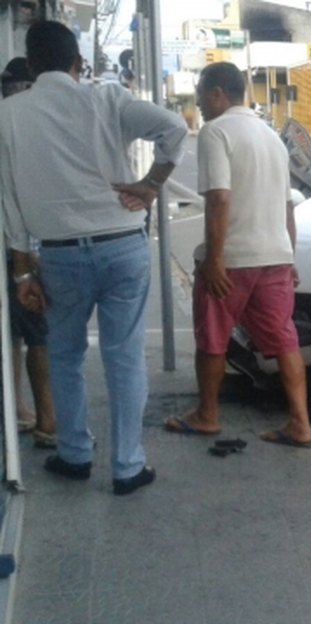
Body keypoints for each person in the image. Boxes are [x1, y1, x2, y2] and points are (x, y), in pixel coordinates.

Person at [0, 21, 187, 495]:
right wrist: (151, 184)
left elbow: (10, 200)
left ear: (31, 65)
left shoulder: (9, 115)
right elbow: (174, 128)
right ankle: (127, 466)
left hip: (58, 256)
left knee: (64, 355)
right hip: (122, 245)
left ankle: (74, 454)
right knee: (124, 357)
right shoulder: (107, 98)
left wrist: (22, 271)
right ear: (77, 62)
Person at [163, 61, 311, 448]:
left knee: (212, 337)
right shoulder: (271, 137)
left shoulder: (216, 132)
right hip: (276, 256)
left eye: (201, 96)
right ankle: (300, 423)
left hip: (233, 259)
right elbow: (287, 205)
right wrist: (290, 257)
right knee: (284, 340)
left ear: (218, 94)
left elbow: (219, 199)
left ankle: (207, 415)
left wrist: (214, 259)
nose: (199, 104)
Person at [0, 56, 56, 449]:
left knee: (14, 333)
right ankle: (47, 420)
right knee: (39, 334)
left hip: (14, 245)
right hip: (22, 247)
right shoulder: (26, 128)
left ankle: (17, 410)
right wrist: (31, 256)